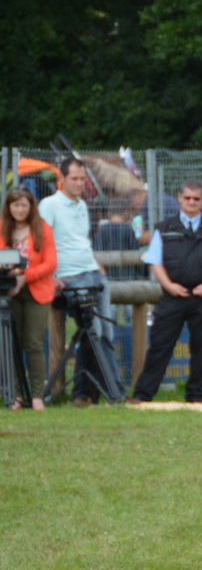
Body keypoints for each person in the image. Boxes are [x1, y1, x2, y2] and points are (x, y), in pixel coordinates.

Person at [131, 181, 202, 404]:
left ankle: (196, 397)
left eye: (196, 199)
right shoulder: (164, 228)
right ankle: (143, 395)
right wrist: (168, 286)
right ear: (179, 198)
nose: (191, 202)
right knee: (160, 345)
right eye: (187, 198)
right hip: (173, 295)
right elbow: (155, 261)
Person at [40, 158, 113, 405]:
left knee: (105, 333)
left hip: (92, 272)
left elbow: (82, 241)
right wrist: (51, 276)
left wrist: (98, 265)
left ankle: (89, 392)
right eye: (75, 179)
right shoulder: (49, 205)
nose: (80, 183)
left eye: (83, 179)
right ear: (61, 179)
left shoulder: (83, 204)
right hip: (70, 275)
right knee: (92, 331)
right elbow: (41, 243)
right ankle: (104, 391)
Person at [2, 190, 56, 410]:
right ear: (9, 207)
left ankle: (36, 396)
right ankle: (14, 395)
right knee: (10, 343)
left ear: (31, 207)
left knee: (33, 343)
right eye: (15, 206)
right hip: (8, 291)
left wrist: (26, 277)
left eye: (24, 206)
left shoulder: (42, 229)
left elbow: (50, 263)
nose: (20, 210)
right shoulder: (2, 227)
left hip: (37, 291)